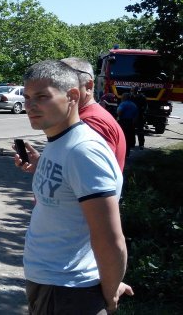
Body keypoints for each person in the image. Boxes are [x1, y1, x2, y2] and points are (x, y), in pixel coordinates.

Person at [13, 60, 133, 314]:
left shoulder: (83, 150)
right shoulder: (61, 141)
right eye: (27, 97)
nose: (30, 106)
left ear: (72, 96)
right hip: (49, 280)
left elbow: (110, 238)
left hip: (70, 289)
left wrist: (110, 293)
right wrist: (39, 166)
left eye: (42, 96)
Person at [61, 57, 127, 171]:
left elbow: (97, 180)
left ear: (88, 86)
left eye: (64, 84)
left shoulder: (92, 122)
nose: (56, 90)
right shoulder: (86, 117)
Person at [117, 92, 138, 158]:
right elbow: (136, 115)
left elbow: (119, 112)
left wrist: (119, 118)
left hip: (123, 122)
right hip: (131, 122)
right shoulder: (134, 105)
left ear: (124, 97)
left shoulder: (123, 104)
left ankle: (120, 153)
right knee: (128, 138)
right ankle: (127, 154)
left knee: (122, 137)